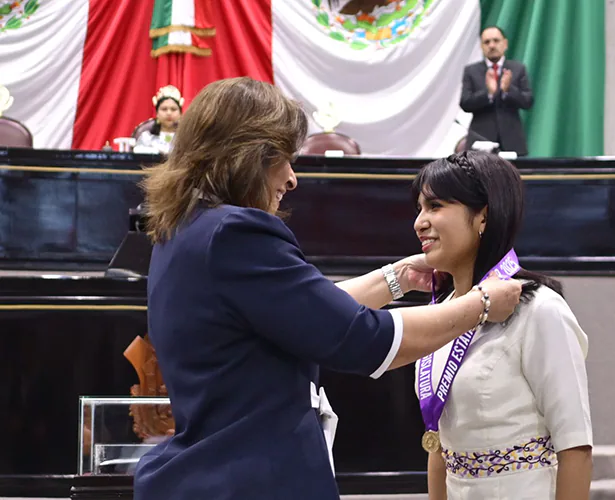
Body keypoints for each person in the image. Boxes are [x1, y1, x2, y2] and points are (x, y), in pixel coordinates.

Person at [132, 77, 522, 499]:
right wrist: (481, 304)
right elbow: (359, 338)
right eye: (282, 158)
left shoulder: (184, 232)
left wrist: (397, 278)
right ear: (246, 157)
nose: (291, 177)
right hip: (250, 480)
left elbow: (304, 311)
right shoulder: (235, 233)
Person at [413, 151, 592, 500]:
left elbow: (575, 446)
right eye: (419, 208)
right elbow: (438, 442)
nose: (419, 222)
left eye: (435, 206)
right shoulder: (443, 312)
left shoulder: (540, 309)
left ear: (483, 216)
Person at [459, 26, 533, 156]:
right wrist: (488, 93)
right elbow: (465, 103)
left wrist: (508, 90)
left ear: (505, 44)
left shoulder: (517, 69)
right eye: (487, 42)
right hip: (481, 141)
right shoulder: (471, 71)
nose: (492, 45)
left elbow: (527, 102)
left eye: (496, 40)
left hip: (512, 141)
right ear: (481, 46)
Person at [134, 85, 183, 155]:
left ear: (180, 113)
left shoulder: (186, 138)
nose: (169, 113)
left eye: (173, 109)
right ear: (157, 113)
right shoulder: (146, 138)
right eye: (164, 109)